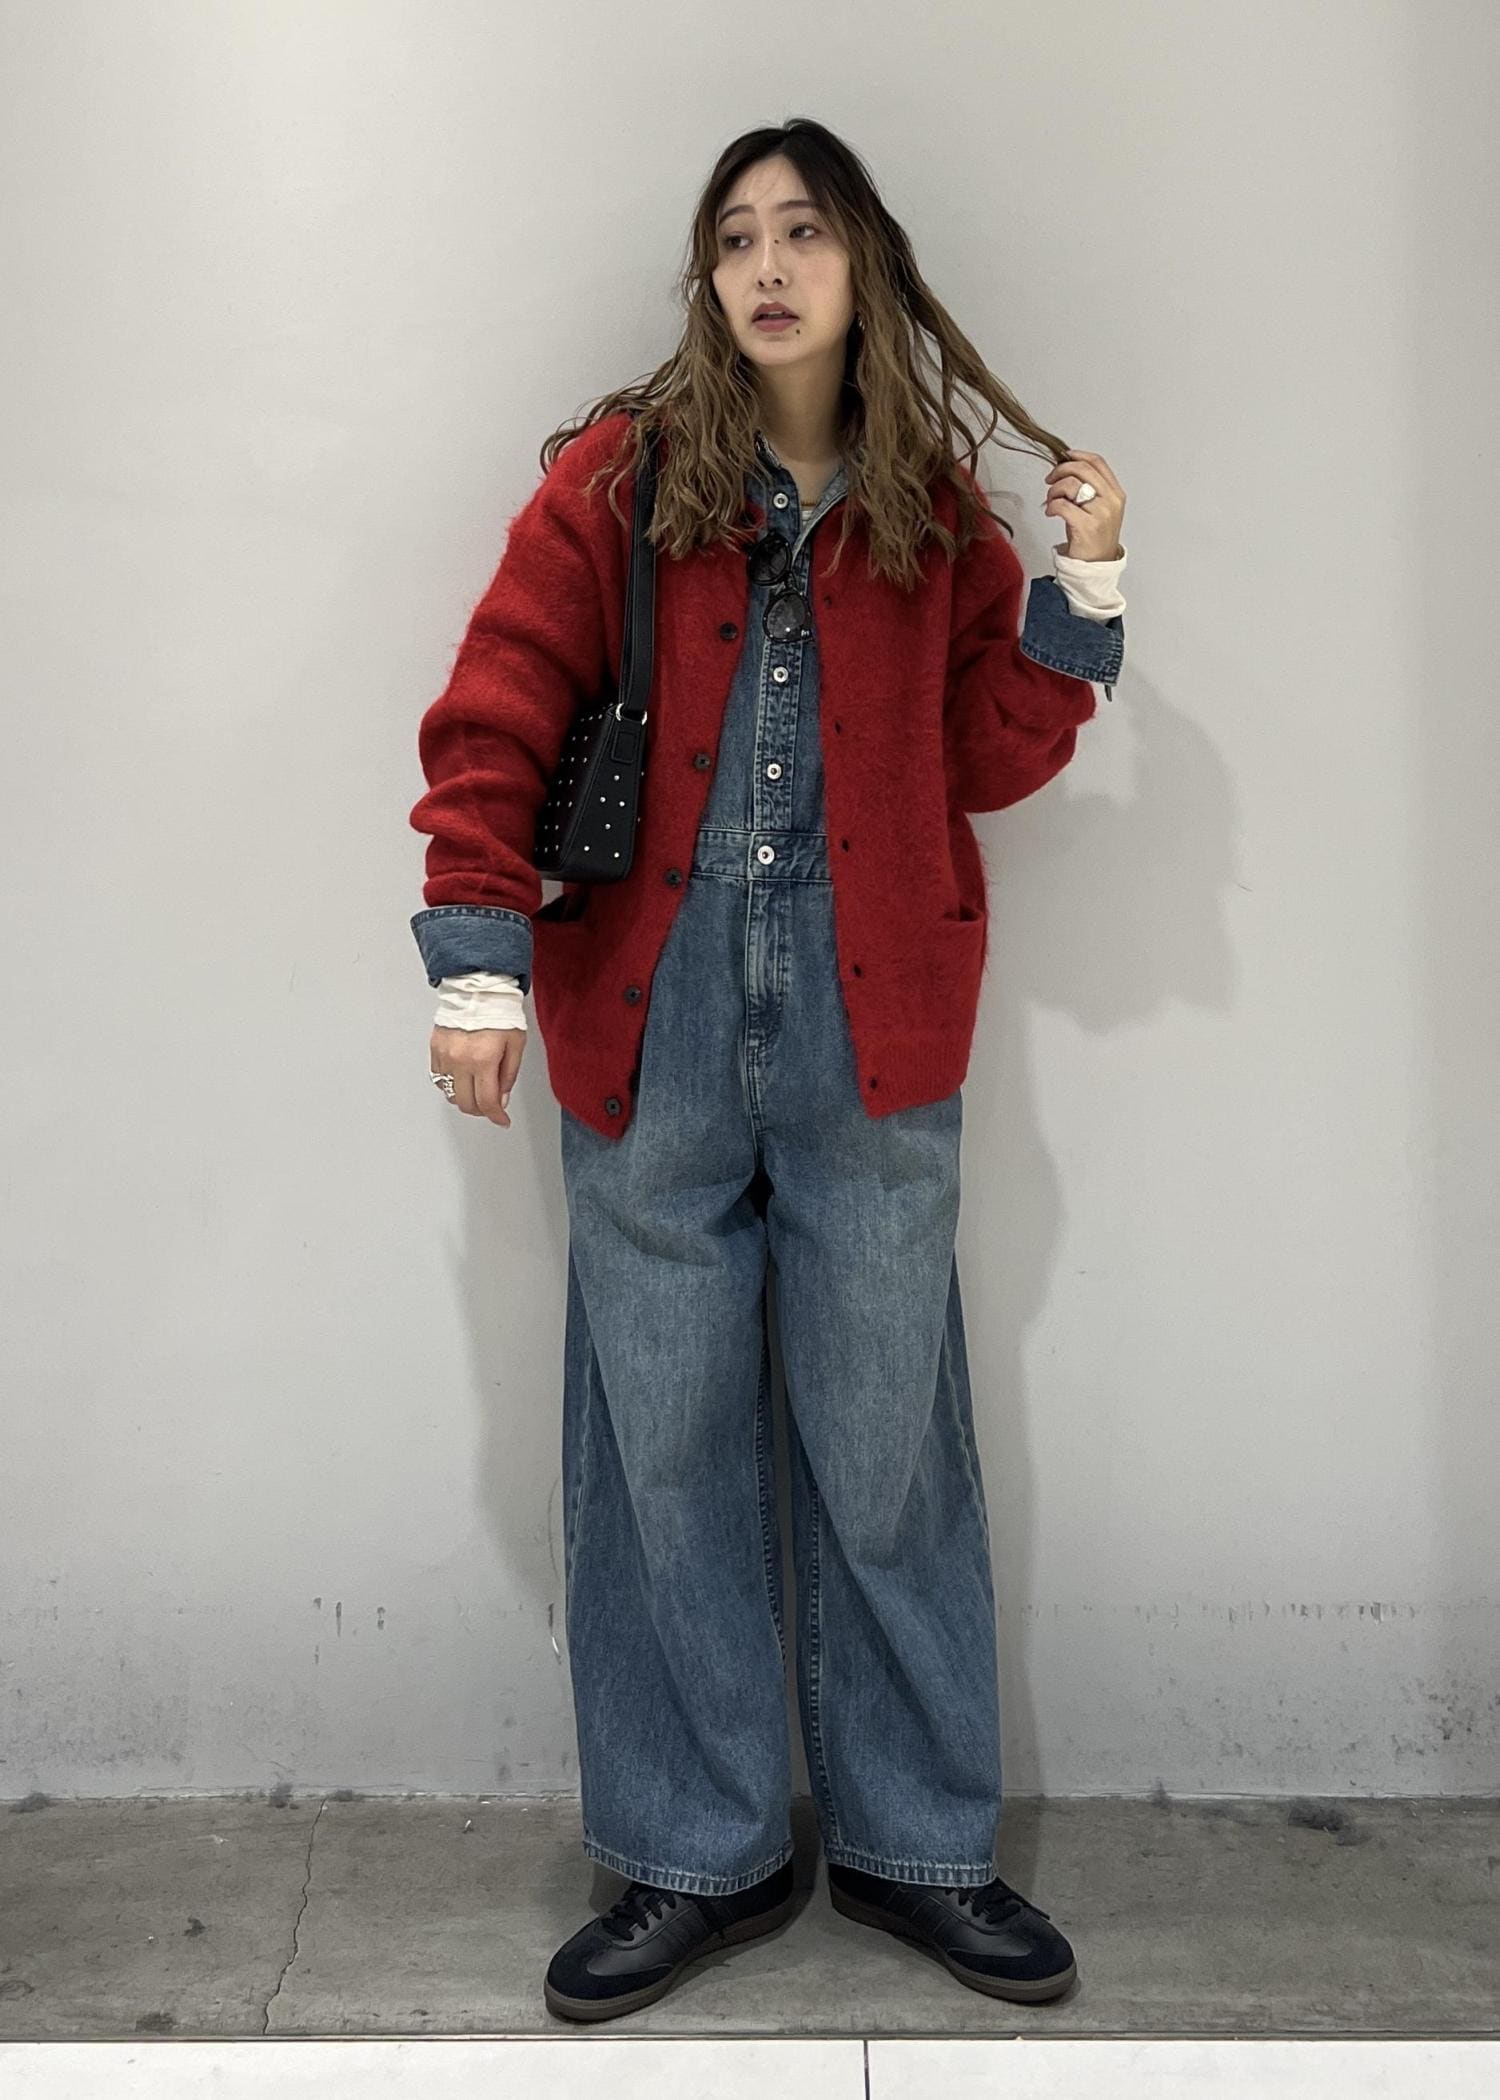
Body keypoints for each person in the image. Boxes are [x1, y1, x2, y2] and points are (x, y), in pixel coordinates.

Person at [408, 118, 1127, 2025]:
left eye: (803, 230)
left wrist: (1085, 590)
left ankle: (917, 1844)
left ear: (863, 262)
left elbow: (990, 754)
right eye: (736, 238)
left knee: (888, 1446)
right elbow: (497, 708)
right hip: (643, 1024)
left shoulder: (928, 511)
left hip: (868, 1035)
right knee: (664, 1447)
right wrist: (475, 962)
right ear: (707, 279)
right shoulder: (620, 481)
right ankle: (690, 1852)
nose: (769, 265)